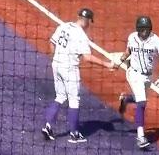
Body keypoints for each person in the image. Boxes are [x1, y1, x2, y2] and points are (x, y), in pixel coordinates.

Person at [41, 8, 114, 143]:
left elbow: (52, 43)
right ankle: (74, 134)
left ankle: (48, 126)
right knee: (74, 100)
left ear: (78, 16)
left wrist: (56, 58)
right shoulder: (81, 35)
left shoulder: (64, 26)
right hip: (69, 69)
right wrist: (107, 64)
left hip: (56, 65)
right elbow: (87, 57)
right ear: (88, 22)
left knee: (60, 96)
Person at [113, 15, 159, 149]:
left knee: (141, 99)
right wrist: (119, 61)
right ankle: (140, 136)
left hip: (148, 77)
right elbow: (128, 51)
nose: (144, 32)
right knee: (142, 103)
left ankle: (126, 99)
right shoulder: (132, 37)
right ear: (138, 29)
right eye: (142, 29)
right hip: (134, 73)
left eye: (147, 29)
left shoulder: (156, 40)